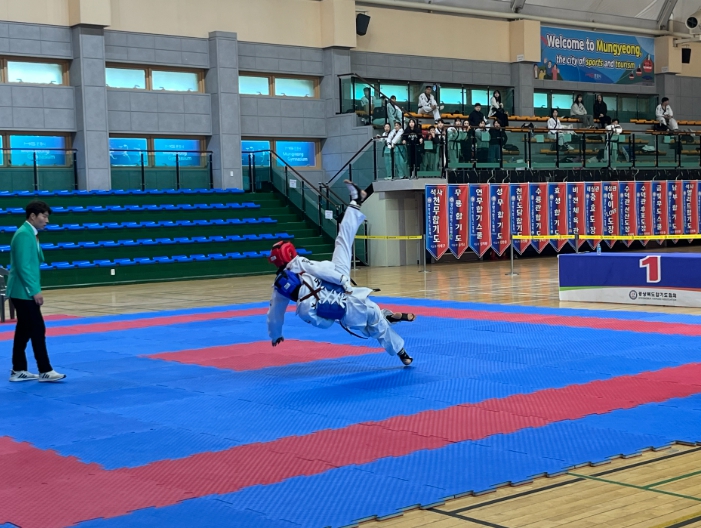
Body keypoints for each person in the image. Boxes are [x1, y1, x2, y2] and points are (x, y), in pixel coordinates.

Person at [267, 181, 415, 366]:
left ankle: (400, 349)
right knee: (343, 239)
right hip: (336, 278)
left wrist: (275, 334)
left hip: (336, 292)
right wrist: (342, 280)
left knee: (371, 321)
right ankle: (356, 202)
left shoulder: (280, 285)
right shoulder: (300, 263)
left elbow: (275, 313)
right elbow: (320, 270)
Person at [8, 201, 65, 383]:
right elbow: (23, 266)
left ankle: (18, 369)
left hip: (21, 291)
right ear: (33, 216)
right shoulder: (24, 235)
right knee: (37, 329)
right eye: (44, 216)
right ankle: (45, 370)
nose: (47, 220)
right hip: (23, 291)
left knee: (24, 330)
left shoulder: (29, 233)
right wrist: (34, 291)